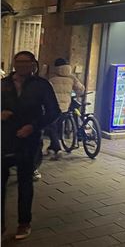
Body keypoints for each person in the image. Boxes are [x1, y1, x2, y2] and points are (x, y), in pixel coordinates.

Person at [1, 51, 61, 240]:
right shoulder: (3, 84)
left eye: (27, 62)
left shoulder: (41, 85)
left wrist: (33, 127)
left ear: (33, 64)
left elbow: (54, 112)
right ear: (14, 63)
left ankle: (24, 223)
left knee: (25, 182)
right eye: (19, 62)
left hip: (29, 141)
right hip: (4, 140)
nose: (22, 65)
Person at [47, 58, 85, 159]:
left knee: (51, 127)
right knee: (57, 127)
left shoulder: (52, 79)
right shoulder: (72, 78)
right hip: (65, 108)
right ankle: (51, 147)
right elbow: (80, 89)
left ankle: (57, 149)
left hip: (53, 108)